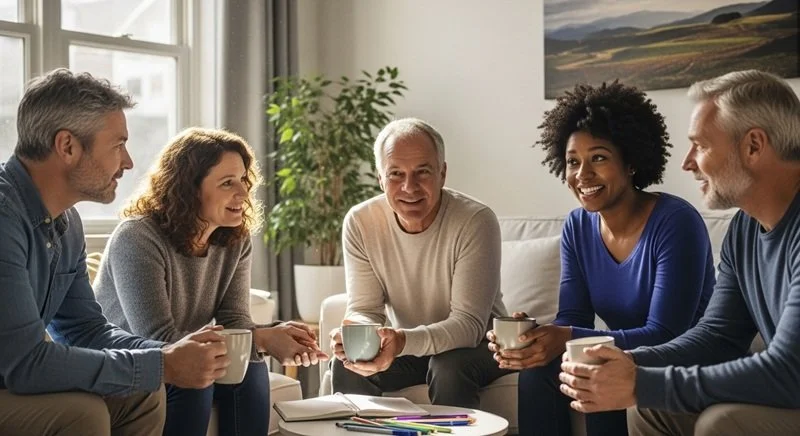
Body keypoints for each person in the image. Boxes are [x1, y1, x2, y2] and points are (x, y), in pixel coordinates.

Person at [558, 70, 800, 435]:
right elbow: (717, 336)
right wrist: (628, 363)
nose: (687, 162)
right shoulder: (745, 228)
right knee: (649, 408)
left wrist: (643, 382)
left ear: (753, 146)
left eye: (700, 145)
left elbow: (790, 369)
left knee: (718, 423)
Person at [0, 69, 229, 436]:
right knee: (81, 413)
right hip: (13, 375)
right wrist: (162, 363)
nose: (128, 162)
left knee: (144, 392)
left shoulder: (67, 224)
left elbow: (86, 329)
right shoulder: (4, 219)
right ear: (68, 146)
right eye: (118, 144)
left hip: (11, 377)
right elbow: (25, 363)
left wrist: (169, 354)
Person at [489, 81, 716, 436]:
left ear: (630, 162)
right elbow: (574, 318)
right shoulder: (578, 226)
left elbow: (666, 334)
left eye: (598, 158)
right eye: (573, 162)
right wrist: (536, 338)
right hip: (620, 356)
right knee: (541, 372)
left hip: (681, 364)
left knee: (597, 368)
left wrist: (563, 336)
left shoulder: (676, 221)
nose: (583, 175)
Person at [94, 127, 329, 436]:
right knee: (196, 377)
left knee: (250, 368)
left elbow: (235, 320)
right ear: (189, 189)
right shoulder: (137, 237)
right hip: (131, 364)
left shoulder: (235, 239)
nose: (244, 194)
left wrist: (271, 336)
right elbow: (159, 340)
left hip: (180, 355)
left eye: (244, 180)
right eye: (227, 183)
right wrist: (262, 340)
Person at [328, 117, 512, 407]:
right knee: (347, 363)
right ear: (380, 178)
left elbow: (469, 325)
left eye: (422, 172)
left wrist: (401, 341)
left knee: (448, 366)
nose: (409, 187)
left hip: (480, 346)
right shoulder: (361, 222)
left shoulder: (475, 221)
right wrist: (358, 332)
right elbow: (365, 309)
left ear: (442, 173)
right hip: (411, 346)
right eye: (396, 174)